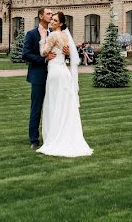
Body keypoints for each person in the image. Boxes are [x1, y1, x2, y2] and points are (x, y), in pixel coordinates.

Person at [36, 12, 93, 158]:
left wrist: (43, 37)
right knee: (65, 105)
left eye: (55, 20)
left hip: (55, 72)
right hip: (64, 72)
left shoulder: (53, 35)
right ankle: (68, 135)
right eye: (52, 19)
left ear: (60, 23)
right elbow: (66, 52)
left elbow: (43, 52)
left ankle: (54, 136)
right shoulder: (66, 36)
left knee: (54, 104)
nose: (52, 21)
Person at [23, 7, 55, 150]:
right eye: (48, 14)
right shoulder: (31, 34)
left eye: (51, 14)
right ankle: (34, 139)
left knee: (52, 108)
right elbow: (26, 54)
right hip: (38, 76)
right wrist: (43, 59)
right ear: (41, 16)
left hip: (53, 76)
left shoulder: (53, 33)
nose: (51, 16)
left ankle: (51, 136)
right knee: (36, 108)